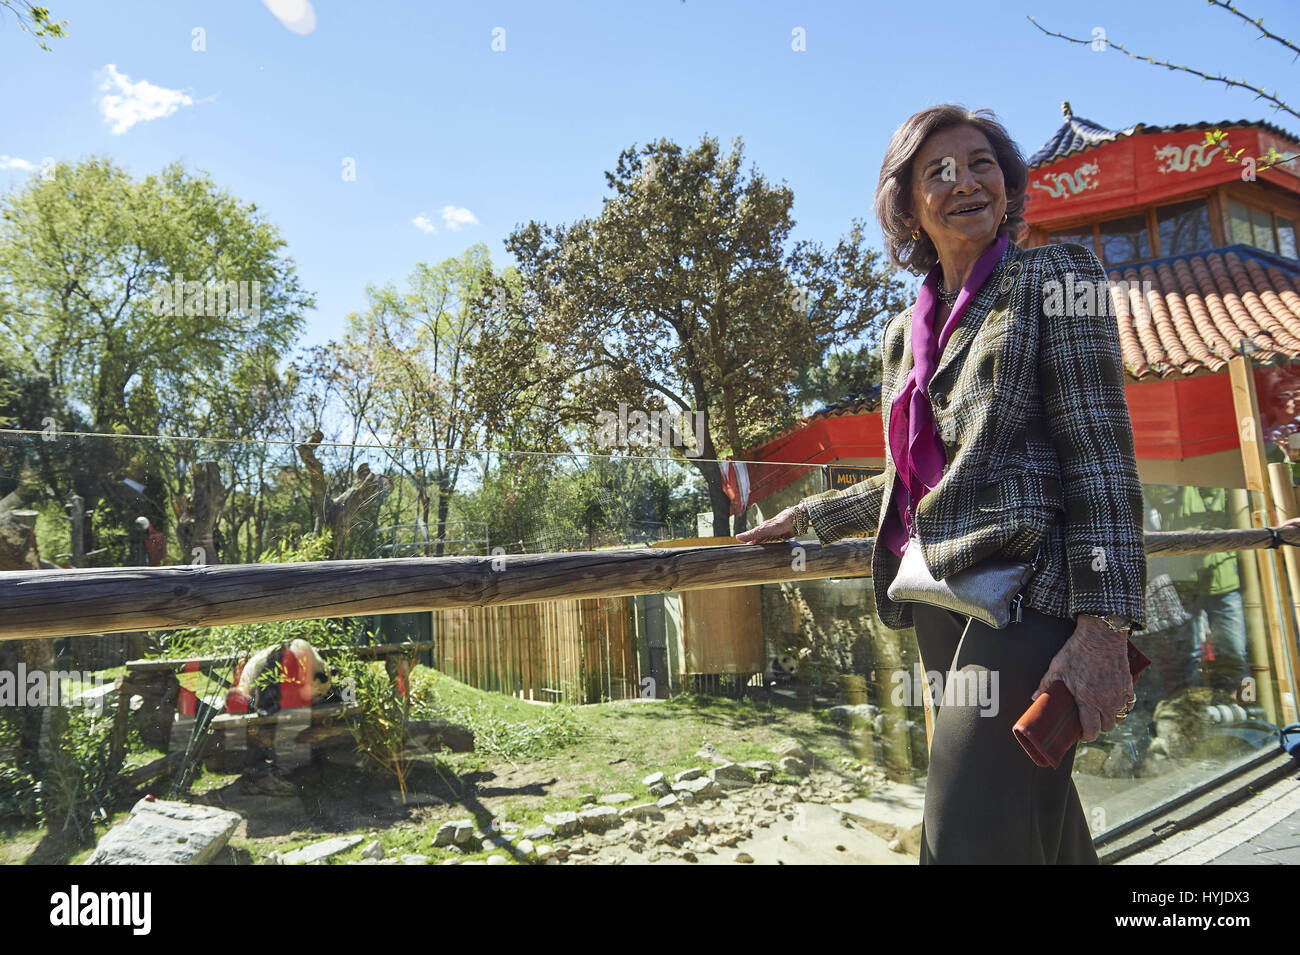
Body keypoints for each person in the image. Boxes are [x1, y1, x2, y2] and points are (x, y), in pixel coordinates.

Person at [738, 105, 1146, 864]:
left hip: (1031, 594)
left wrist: (1105, 628)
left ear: (1008, 183)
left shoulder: (1055, 277)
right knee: (1040, 826)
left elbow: (1100, 455)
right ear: (908, 207)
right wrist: (810, 515)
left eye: (982, 163)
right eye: (940, 172)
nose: (967, 182)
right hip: (939, 597)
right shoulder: (903, 334)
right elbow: (921, 480)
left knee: (960, 836)